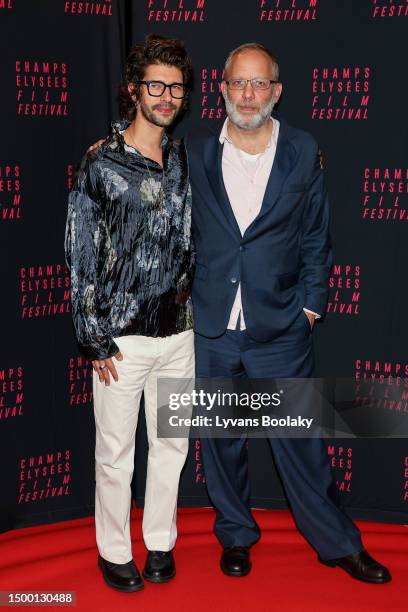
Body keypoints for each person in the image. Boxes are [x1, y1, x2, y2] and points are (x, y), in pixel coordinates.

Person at [186, 42, 391, 584]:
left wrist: (311, 306)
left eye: (260, 85)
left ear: (276, 92)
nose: (248, 95)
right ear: (222, 88)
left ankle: (336, 543)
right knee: (221, 440)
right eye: (239, 83)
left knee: (301, 441)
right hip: (212, 327)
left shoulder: (303, 149)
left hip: (280, 326)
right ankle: (235, 534)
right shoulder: (195, 150)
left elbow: (317, 235)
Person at [65, 35, 195, 592]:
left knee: (171, 447)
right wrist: (94, 337)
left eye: (176, 87)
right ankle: (114, 550)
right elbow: (80, 250)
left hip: (180, 334)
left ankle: (160, 544)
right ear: (133, 89)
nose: (167, 96)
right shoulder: (100, 160)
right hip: (122, 341)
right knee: (115, 454)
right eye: (156, 85)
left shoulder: (183, 155)